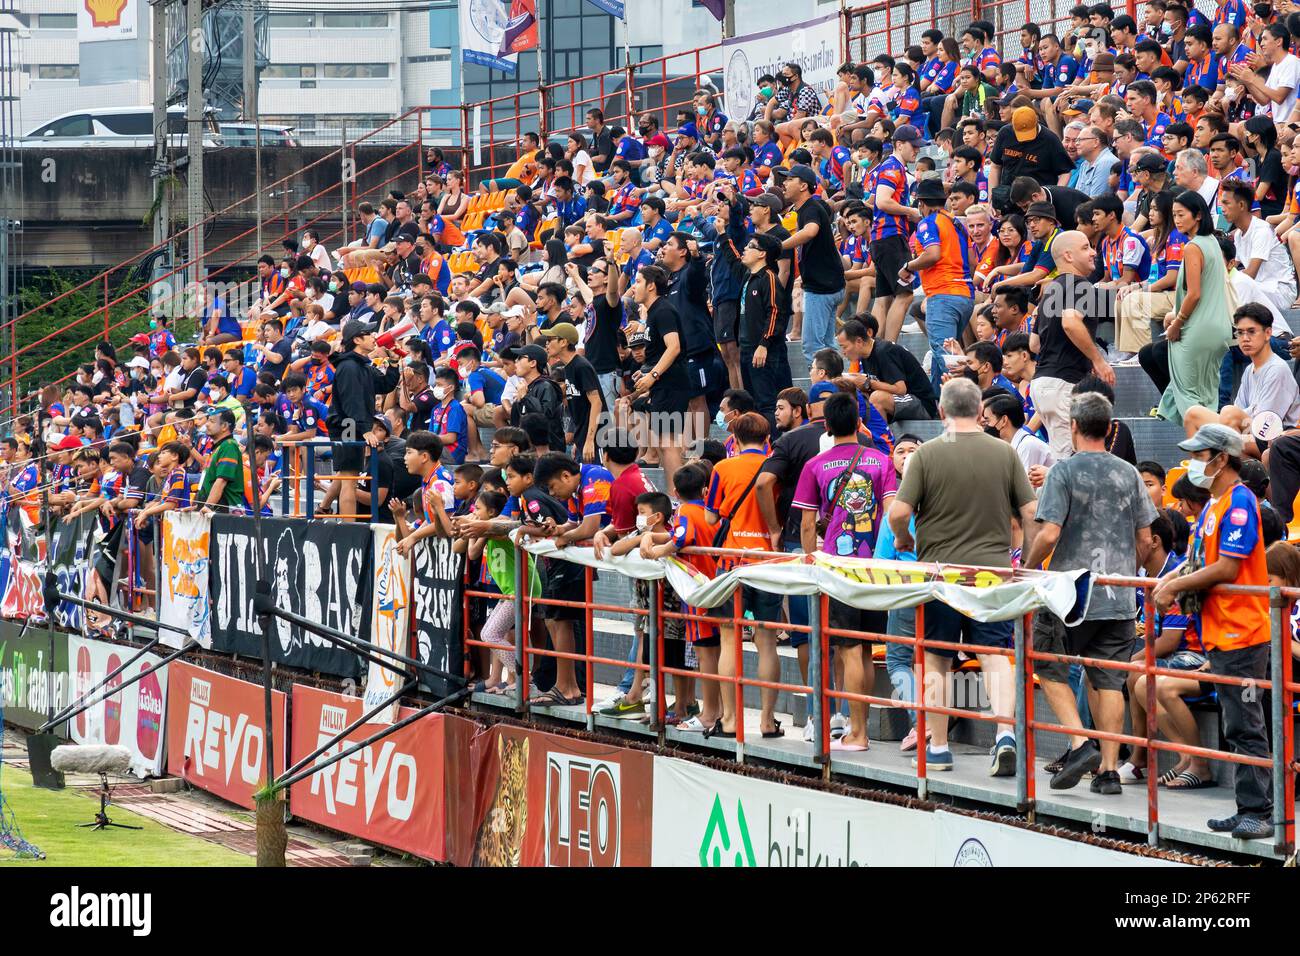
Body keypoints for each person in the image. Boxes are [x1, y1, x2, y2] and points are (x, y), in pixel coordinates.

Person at [889, 378, 1039, 774]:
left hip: (940, 574)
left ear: (940, 411)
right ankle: (1005, 735)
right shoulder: (1004, 454)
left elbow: (898, 514)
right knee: (994, 656)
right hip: (992, 573)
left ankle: (938, 748)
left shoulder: (926, 454)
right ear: (979, 412)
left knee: (936, 659)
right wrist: (1029, 560)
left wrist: (905, 541)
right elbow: (1030, 512)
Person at [1023, 392, 1157, 794]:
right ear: (1110, 427)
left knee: (1046, 664)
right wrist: (1126, 570)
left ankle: (1080, 743)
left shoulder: (1062, 472)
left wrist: (1029, 568)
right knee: (1107, 681)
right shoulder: (1129, 473)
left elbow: (1048, 533)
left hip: (1070, 594)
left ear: (1075, 427)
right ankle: (1110, 771)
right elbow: (1147, 539)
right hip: (1118, 594)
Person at [1153, 424, 1274, 840]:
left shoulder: (1239, 501)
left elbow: (1227, 567)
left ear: (1221, 459)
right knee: (1237, 724)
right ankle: (1248, 808)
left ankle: (1259, 811)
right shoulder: (1213, 505)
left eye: (1201, 456)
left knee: (1245, 725)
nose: (1194, 464)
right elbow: (1199, 561)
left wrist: (1173, 585)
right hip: (1221, 633)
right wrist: (1173, 580)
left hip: (1243, 632)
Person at [791, 392, 896, 751]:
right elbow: (892, 512)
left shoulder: (815, 465)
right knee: (864, 649)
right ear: (858, 423)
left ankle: (859, 733)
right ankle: (858, 727)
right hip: (873, 567)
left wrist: (809, 560)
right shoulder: (881, 461)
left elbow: (807, 524)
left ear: (826, 425)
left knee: (849, 650)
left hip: (837, 567)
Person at [705, 411, 783, 739]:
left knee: (728, 639)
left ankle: (730, 721)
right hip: (767, 562)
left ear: (734, 439)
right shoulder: (777, 466)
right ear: (767, 438)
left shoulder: (723, 468)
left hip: (732, 562)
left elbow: (711, 519)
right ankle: (767, 721)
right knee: (766, 641)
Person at [1030, 230, 1113, 459]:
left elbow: (1034, 343)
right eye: (1085, 247)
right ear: (1068, 256)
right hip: (1063, 383)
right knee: (1068, 460)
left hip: (1042, 383)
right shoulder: (1081, 286)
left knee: (1060, 455)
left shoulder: (1051, 289)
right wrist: (1098, 360)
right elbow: (1070, 322)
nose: (1093, 252)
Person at [1155, 190, 1233, 427]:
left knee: (1191, 401)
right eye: (1174, 215)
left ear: (1198, 215)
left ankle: (1212, 450)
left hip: (1196, 329)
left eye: (1181, 214)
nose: (1176, 220)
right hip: (1218, 329)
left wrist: (1176, 323)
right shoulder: (1213, 242)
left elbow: (1195, 293)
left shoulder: (1193, 246)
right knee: (1206, 397)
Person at [900, 177, 976, 397]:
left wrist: (908, 266)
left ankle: (963, 409)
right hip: (965, 296)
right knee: (939, 356)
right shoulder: (957, 223)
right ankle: (933, 406)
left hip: (943, 295)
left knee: (947, 360)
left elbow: (932, 254)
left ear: (922, 203)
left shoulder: (928, 221)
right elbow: (971, 260)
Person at [326, 320, 400, 522]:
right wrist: (365, 429)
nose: (374, 336)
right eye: (369, 333)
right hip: (347, 425)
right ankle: (349, 528)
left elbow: (384, 384)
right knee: (350, 478)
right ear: (357, 339)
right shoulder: (350, 366)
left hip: (351, 424)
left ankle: (328, 509)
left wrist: (393, 364)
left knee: (348, 474)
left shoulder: (362, 364)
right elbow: (352, 402)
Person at [780, 164, 847, 365]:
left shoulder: (810, 207)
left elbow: (810, 231)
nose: (784, 183)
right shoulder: (808, 208)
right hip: (828, 285)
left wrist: (779, 246)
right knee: (827, 347)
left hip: (821, 289)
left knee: (813, 348)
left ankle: (825, 392)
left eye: (790, 179)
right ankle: (838, 390)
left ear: (803, 186)